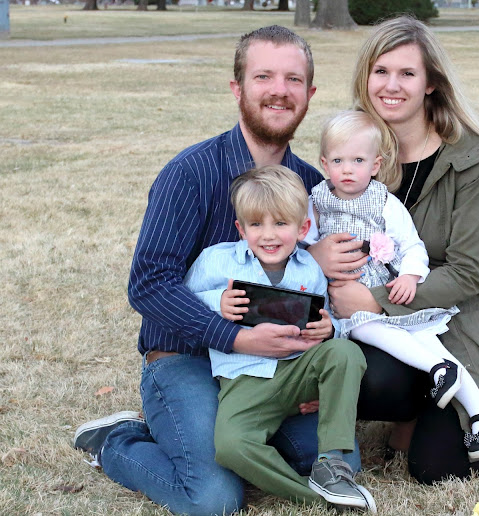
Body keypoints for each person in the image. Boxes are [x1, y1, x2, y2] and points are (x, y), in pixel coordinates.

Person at [73, 25, 360, 516]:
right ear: (237, 88)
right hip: (186, 358)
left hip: (278, 369)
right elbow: (149, 284)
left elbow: (318, 286)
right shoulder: (190, 173)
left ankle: (205, 436)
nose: (279, 90)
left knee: (333, 460)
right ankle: (117, 441)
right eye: (263, 76)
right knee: (213, 497)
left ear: (309, 93)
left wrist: (316, 362)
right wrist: (235, 338)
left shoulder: (313, 186)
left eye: (293, 79)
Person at [307, 16, 479, 484]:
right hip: (381, 306)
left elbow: (467, 273)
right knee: (371, 380)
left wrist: (373, 300)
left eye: (407, 73)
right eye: (381, 71)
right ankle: (414, 407)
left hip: (462, 305)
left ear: (430, 83)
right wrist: (317, 257)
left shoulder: (471, 160)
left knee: (436, 468)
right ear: (366, 77)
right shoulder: (356, 146)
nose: (391, 85)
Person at [306, 110, 479, 461]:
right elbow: (302, 245)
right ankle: (466, 396)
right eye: (338, 161)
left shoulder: (383, 202)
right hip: (342, 294)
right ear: (324, 163)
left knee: (413, 334)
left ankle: (476, 408)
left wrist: (410, 275)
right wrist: (313, 254)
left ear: (376, 165)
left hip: (386, 289)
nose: (347, 170)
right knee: (390, 333)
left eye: (358, 161)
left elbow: (412, 245)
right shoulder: (318, 201)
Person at [182, 165, 376, 512]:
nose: (268, 235)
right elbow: (183, 303)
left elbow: (328, 318)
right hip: (244, 379)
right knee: (230, 446)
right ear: (241, 228)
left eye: (281, 224)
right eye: (256, 224)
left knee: (344, 352)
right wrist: (217, 301)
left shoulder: (310, 269)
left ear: (302, 229)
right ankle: (315, 497)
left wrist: (329, 329)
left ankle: (332, 464)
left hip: (298, 370)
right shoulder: (216, 261)